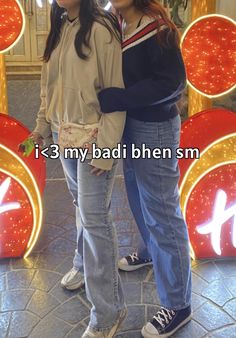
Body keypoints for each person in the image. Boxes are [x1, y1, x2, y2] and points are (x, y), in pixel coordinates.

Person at [31, 0, 127, 337]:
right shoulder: (60, 25)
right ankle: (82, 264)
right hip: (62, 133)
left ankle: (108, 312)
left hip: (92, 139)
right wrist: (41, 128)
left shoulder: (102, 29)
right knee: (81, 208)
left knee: (96, 219)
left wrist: (105, 151)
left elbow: (115, 95)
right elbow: (50, 88)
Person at [98, 1, 192, 337]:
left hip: (155, 127)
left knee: (162, 211)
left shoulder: (157, 28)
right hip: (130, 125)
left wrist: (119, 98)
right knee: (138, 197)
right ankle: (152, 251)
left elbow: (171, 83)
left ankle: (178, 303)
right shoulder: (116, 23)